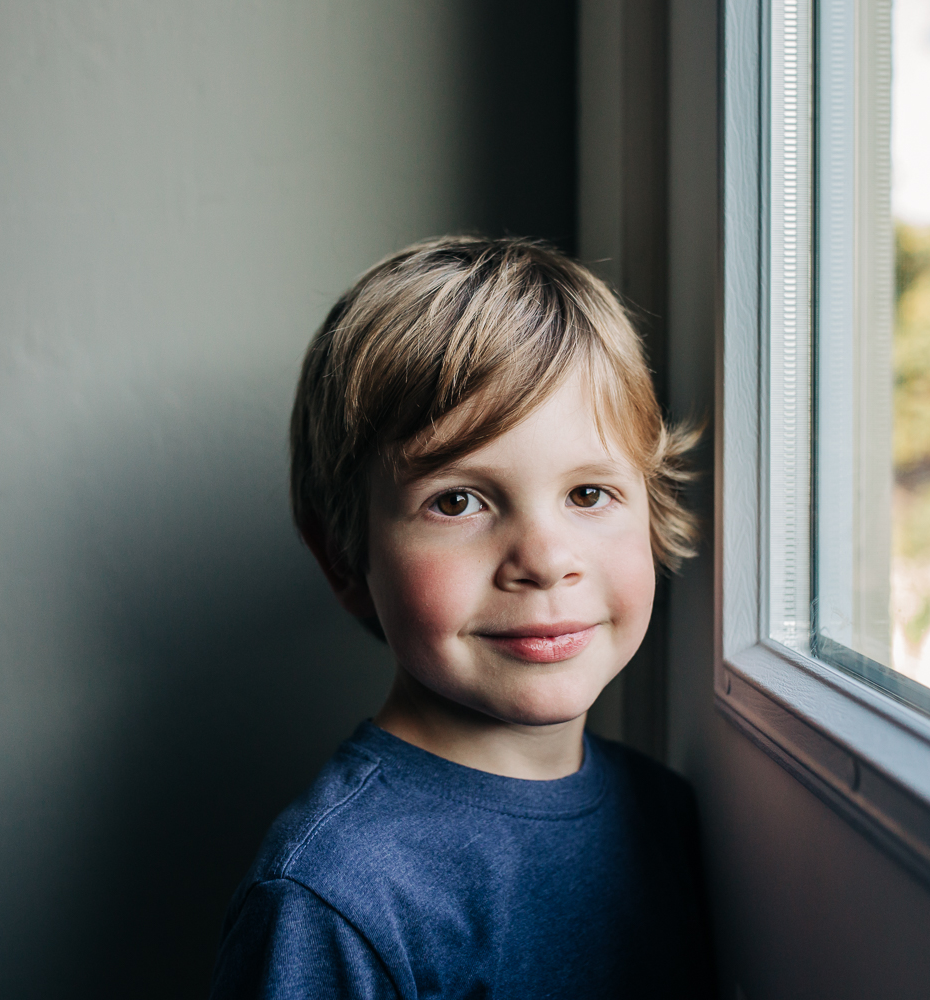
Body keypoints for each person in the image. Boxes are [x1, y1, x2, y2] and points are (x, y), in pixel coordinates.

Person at [209, 236, 715, 998]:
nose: (544, 559)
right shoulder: (331, 898)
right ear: (344, 559)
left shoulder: (666, 815)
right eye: (457, 501)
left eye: (588, 495)